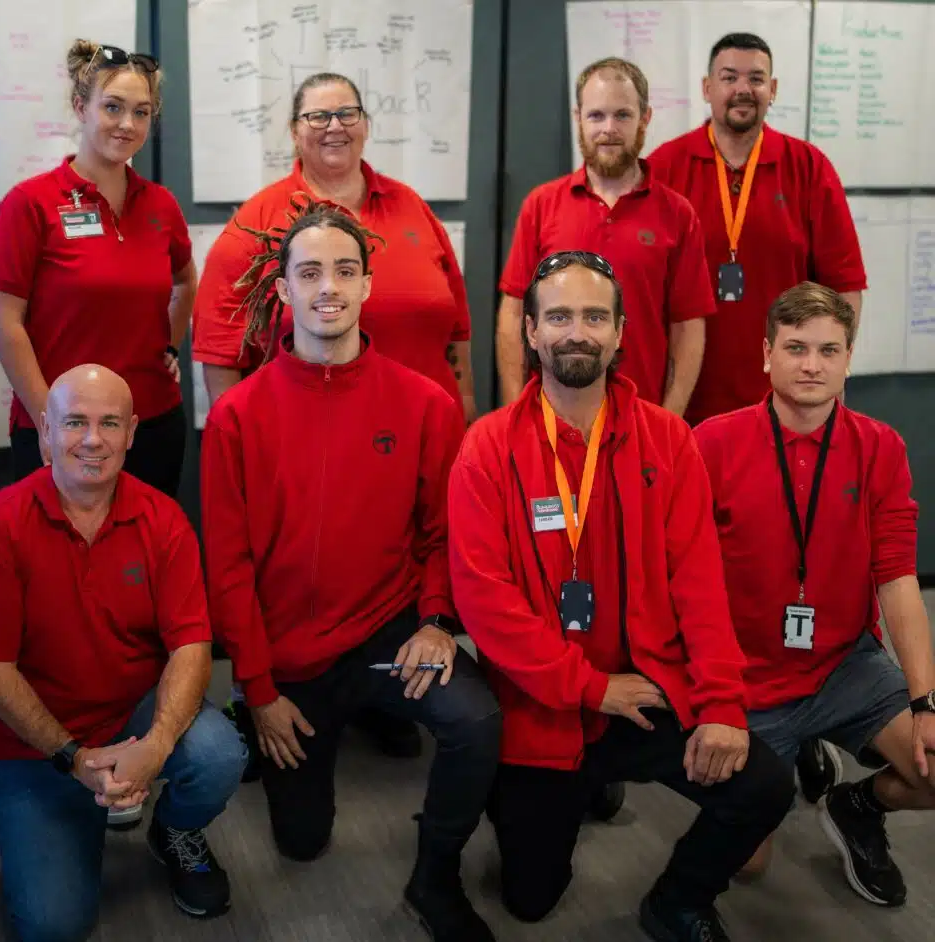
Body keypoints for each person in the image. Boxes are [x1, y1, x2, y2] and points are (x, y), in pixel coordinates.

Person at [448, 251, 794, 942]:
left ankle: (678, 901)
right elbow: (486, 605)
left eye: (594, 317)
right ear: (532, 332)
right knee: (530, 900)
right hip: (547, 705)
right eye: (560, 316)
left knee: (764, 784)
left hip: (647, 693)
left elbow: (699, 582)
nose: (578, 332)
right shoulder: (486, 448)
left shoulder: (668, 439)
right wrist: (590, 688)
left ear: (620, 332)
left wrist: (722, 702)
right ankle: (551, 789)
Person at [200, 204, 501, 942]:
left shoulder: (425, 404)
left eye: (343, 270)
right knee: (302, 844)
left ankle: (436, 876)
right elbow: (228, 567)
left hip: (387, 635)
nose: (327, 287)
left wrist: (436, 621)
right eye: (309, 272)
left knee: (477, 720)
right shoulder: (238, 417)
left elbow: (440, 535)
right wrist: (259, 691)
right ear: (285, 290)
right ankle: (283, 734)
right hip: (290, 659)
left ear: (367, 285)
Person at [193, 71, 472, 766]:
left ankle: (376, 695)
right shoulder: (259, 221)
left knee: (405, 572)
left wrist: (463, 430)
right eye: (316, 116)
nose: (333, 126)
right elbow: (220, 353)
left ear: (366, 123)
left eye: (347, 112)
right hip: (310, 451)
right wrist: (252, 440)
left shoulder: (410, 208)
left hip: (414, 444)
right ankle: (285, 693)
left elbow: (456, 333)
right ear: (293, 131)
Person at [0, 365, 246, 942]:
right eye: (75, 422)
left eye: (110, 423)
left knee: (218, 753)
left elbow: (191, 644)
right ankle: (79, 810)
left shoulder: (164, 520)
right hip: (38, 744)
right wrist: (72, 758)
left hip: (132, 712)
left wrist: (157, 747)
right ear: (44, 432)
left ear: (132, 432)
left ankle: (173, 830)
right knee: (55, 925)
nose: (92, 439)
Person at [647, 32, 867, 797]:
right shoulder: (667, 167)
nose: (743, 88)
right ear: (706, 86)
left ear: (774, 91)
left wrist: (822, 381)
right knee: (690, 576)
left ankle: (793, 718)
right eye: (730, 76)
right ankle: (698, 709)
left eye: (757, 79)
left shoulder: (807, 169)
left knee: (784, 570)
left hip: (787, 420)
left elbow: (844, 287)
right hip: (689, 416)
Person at [695, 282, 935, 907]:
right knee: (745, 865)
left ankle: (858, 806)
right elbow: (683, 583)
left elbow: (899, 581)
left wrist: (926, 700)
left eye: (829, 350)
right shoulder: (711, 443)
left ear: (848, 359)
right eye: (796, 347)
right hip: (749, 677)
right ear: (766, 354)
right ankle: (795, 746)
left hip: (842, 663)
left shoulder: (880, 447)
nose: (811, 364)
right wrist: (711, 695)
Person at [0, 40, 195, 499]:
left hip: (151, 423)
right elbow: (4, 320)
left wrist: (168, 344)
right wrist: (49, 421)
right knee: (56, 564)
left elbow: (184, 279)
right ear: (81, 107)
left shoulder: (161, 205)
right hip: (62, 427)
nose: (127, 124)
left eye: (141, 112)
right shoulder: (31, 203)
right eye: (113, 107)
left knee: (145, 562)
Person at [496, 57, 715, 416]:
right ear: (577, 118)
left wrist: (669, 420)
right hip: (551, 417)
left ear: (645, 118)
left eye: (623, 115)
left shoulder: (678, 214)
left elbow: (688, 328)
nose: (608, 129)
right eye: (596, 116)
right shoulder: (541, 205)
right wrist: (515, 410)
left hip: (641, 419)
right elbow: (514, 313)